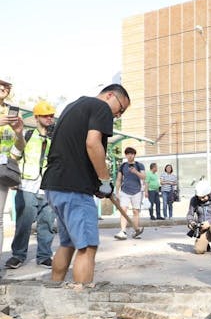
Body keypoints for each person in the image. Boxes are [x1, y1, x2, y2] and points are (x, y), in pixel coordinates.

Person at [41, 84, 130, 285]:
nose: (118, 115)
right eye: (121, 109)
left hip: (56, 185)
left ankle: (52, 291)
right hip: (74, 189)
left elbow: (74, 149)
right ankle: (81, 303)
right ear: (110, 95)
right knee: (87, 247)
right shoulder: (101, 107)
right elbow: (92, 143)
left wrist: (94, 185)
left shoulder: (73, 106)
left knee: (68, 243)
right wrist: (104, 180)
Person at [5, 100, 56, 270]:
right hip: (26, 186)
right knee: (23, 224)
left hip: (49, 188)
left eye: (51, 115)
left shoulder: (55, 138)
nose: (49, 118)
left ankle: (44, 256)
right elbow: (14, 155)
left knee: (47, 223)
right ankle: (18, 255)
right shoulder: (26, 135)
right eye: (45, 115)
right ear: (36, 117)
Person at [0, 78, 26, 268]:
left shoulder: (11, 112)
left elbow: (18, 149)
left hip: (3, 170)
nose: (3, 88)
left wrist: (19, 133)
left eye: (6, 86)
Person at [114, 147, 146, 240]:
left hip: (136, 191)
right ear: (126, 155)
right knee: (123, 210)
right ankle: (123, 231)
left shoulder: (139, 165)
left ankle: (136, 231)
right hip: (125, 191)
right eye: (128, 154)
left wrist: (135, 172)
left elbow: (144, 177)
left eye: (131, 153)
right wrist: (117, 192)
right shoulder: (123, 166)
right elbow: (119, 179)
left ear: (134, 155)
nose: (130, 155)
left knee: (136, 211)